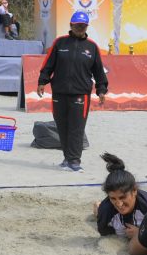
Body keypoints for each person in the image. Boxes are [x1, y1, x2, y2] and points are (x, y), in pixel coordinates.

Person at [37, 12, 108, 173]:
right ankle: (67, 158)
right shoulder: (59, 43)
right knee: (62, 127)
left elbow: (99, 72)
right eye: (77, 25)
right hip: (59, 92)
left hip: (80, 94)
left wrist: (101, 90)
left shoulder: (92, 47)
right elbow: (48, 65)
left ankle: (75, 161)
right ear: (71, 25)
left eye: (83, 26)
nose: (80, 28)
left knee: (76, 128)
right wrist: (42, 82)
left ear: (87, 27)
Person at [94, 153, 147, 238]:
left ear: (134, 191)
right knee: (99, 211)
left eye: (123, 197)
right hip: (105, 211)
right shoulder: (106, 209)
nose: (119, 204)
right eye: (113, 198)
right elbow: (105, 234)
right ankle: (97, 206)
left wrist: (140, 233)